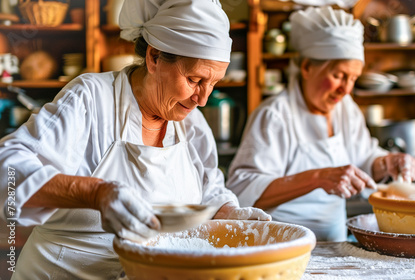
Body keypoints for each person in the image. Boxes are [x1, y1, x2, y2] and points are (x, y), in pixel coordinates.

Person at [0, 0, 270, 278]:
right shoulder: (91, 99)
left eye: (214, 84)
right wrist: (95, 193)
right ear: (154, 57)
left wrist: (225, 213)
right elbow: (7, 170)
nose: (202, 99)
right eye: (194, 79)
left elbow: (209, 189)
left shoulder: (192, 123)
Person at [227, 7, 415, 242]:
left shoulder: (345, 108)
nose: (346, 89)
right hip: (284, 246)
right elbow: (243, 192)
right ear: (307, 67)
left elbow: (363, 159)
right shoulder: (274, 115)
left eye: (353, 79)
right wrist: (316, 178)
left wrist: (387, 163)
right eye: (338, 76)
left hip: (335, 244)